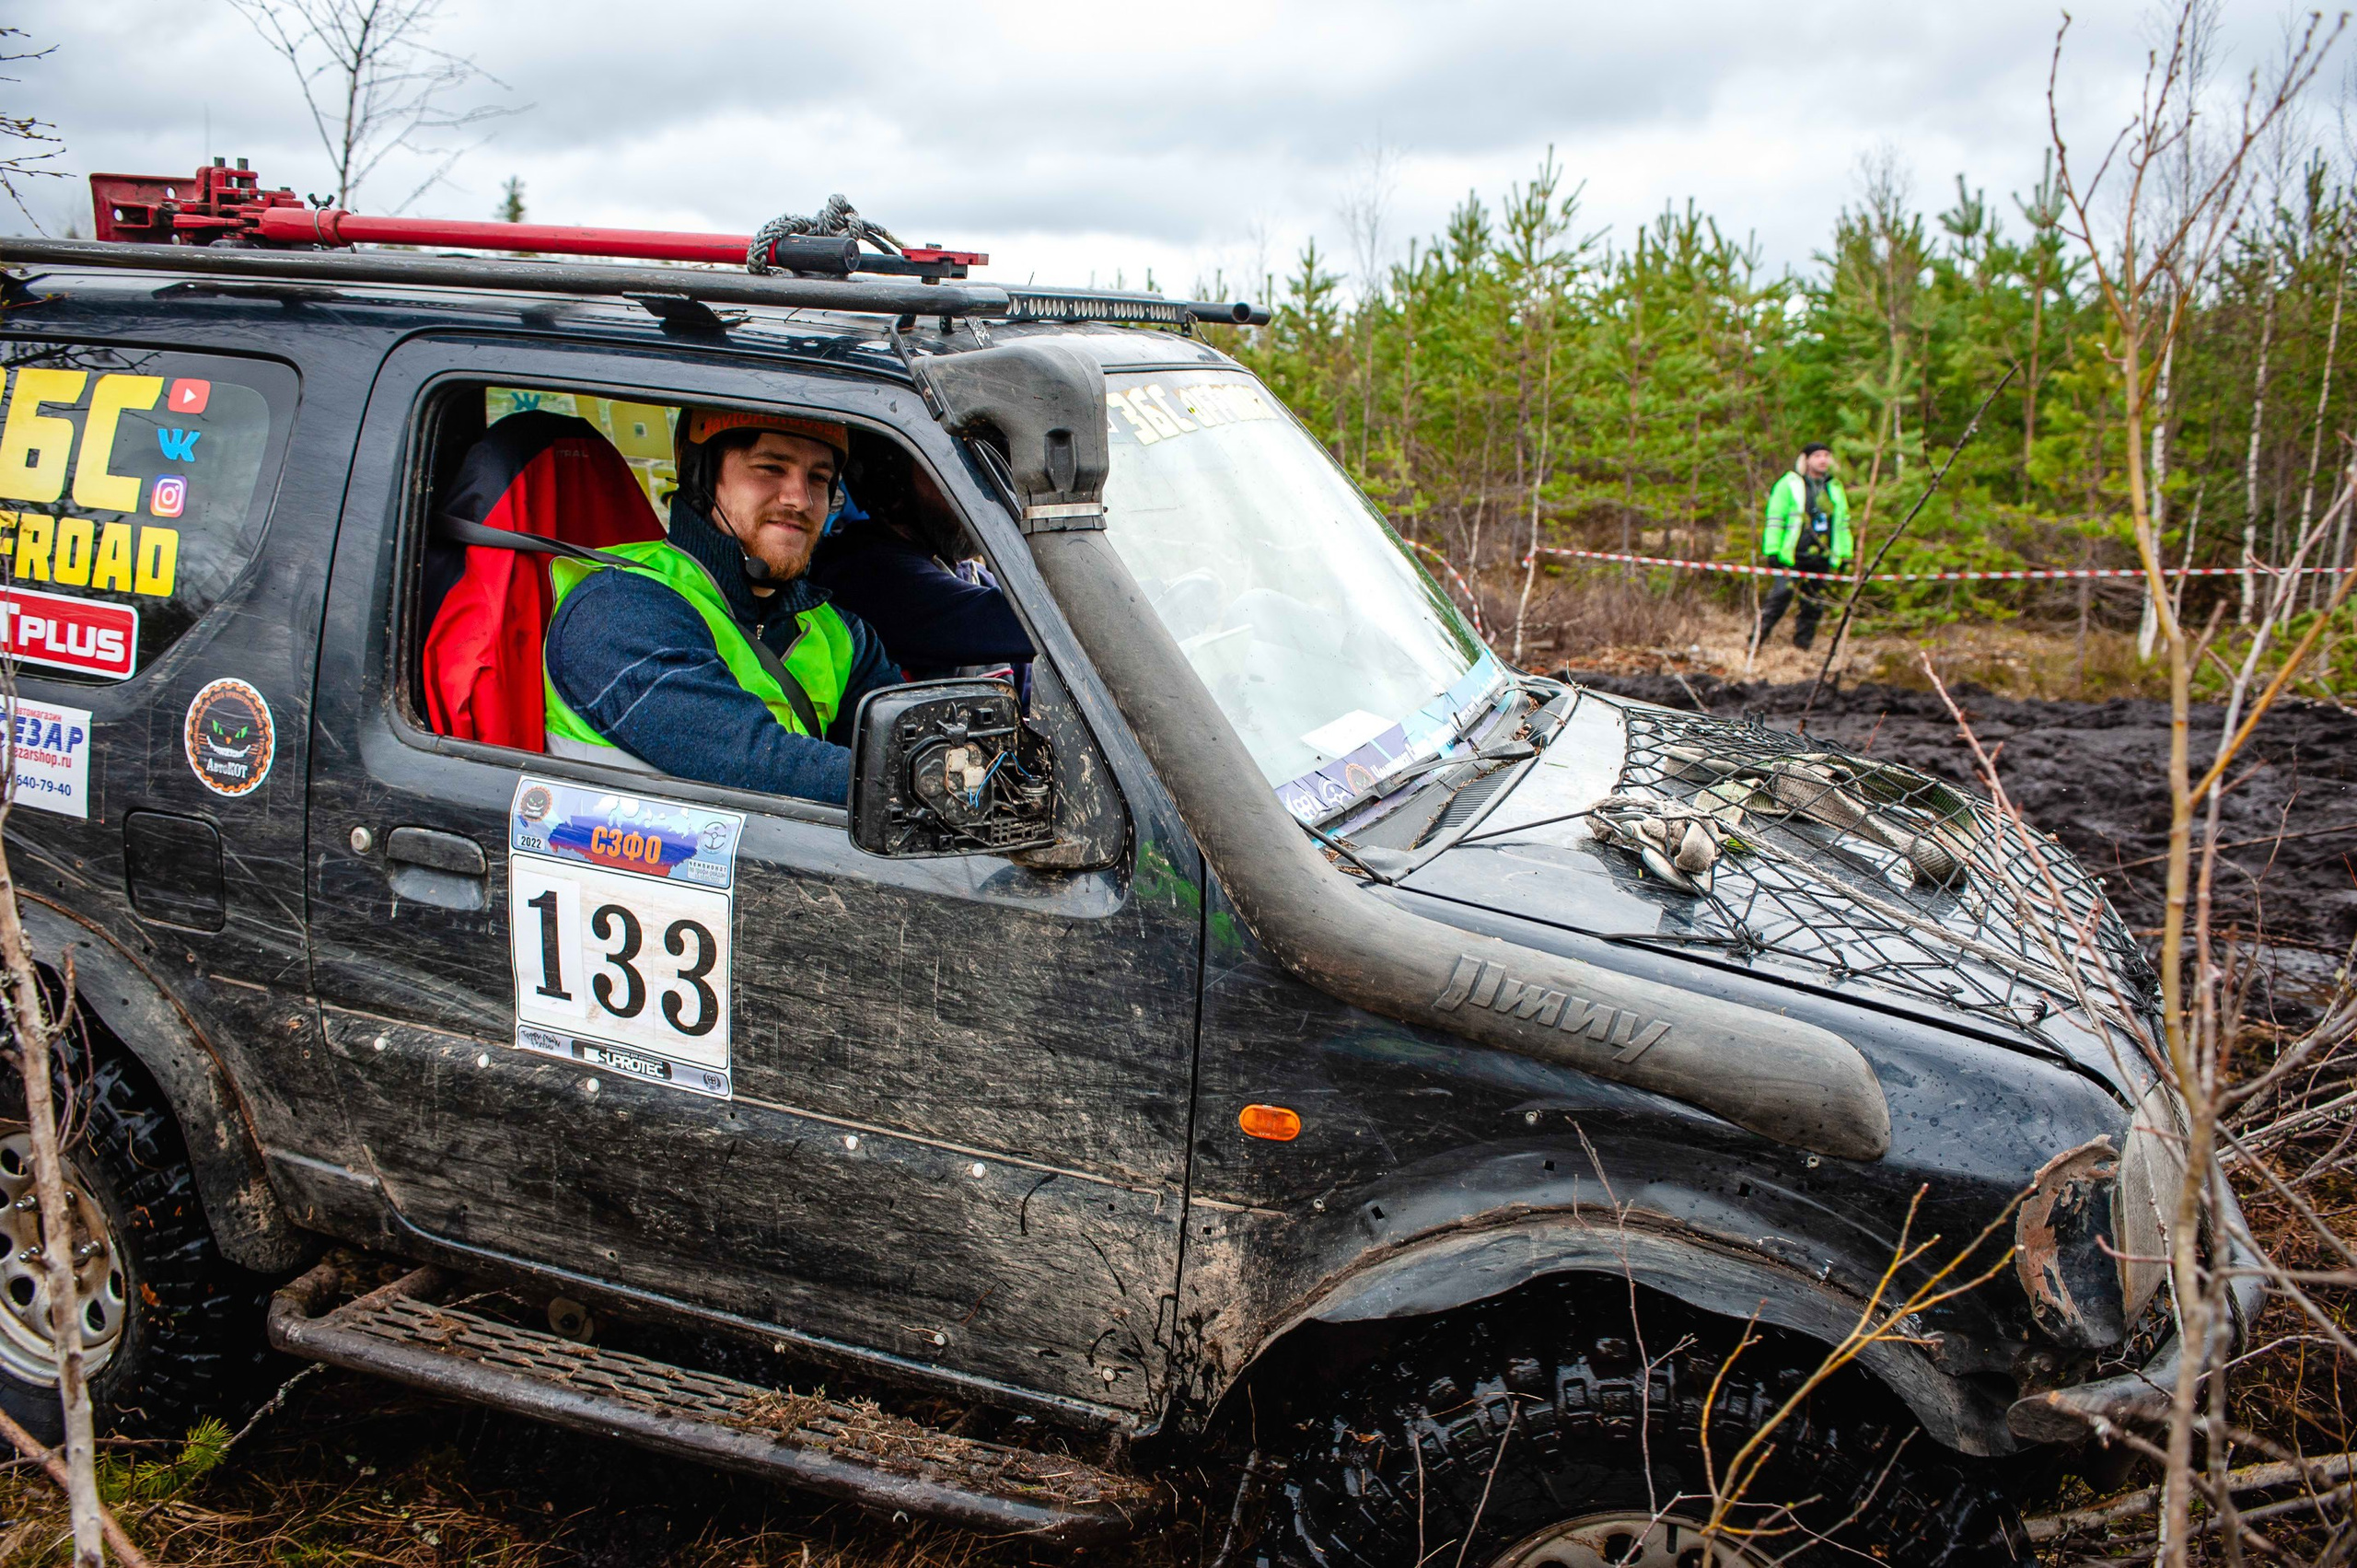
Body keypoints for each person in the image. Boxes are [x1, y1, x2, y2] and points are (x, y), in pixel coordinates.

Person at [540, 409, 900, 804]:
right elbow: (752, 761)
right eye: (770, 468)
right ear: (702, 476)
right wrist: (921, 781)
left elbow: (903, 738)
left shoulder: (842, 635)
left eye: (818, 478)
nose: (801, 499)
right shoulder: (617, 605)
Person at [810, 455, 1035, 682]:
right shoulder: (866, 576)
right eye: (954, 474)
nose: (980, 494)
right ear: (891, 484)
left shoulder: (975, 576)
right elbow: (1036, 627)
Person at [1755, 442, 1852, 651]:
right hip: (1792, 555)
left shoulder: (1834, 487)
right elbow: (1775, 518)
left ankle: (1802, 648)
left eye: (1826, 455)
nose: (1823, 459)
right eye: (1817, 455)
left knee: (1814, 605)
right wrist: (1772, 550)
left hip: (1822, 556)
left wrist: (1845, 554)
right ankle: (1756, 641)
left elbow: (1842, 524)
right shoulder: (1790, 484)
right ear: (1806, 459)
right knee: (1779, 599)